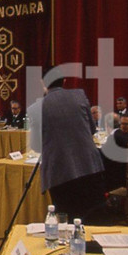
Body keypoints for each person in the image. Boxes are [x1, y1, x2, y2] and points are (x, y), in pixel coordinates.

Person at [26, 71, 107, 224]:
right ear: (64, 81)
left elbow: (36, 146)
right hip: (88, 165)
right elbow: (92, 129)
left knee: (66, 219)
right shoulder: (79, 95)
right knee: (94, 215)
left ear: (43, 83)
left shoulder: (35, 108)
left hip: (59, 172)